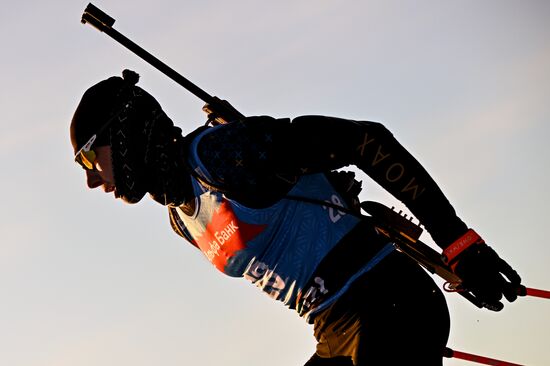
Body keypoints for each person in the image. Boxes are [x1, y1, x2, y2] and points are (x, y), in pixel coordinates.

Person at [70, 70, 522, 365]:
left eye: (91, 158)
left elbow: (366, 141)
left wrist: (458, 242)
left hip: (388, 304)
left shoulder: (221, 154)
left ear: (124, 133)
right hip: (333, 327)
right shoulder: (180, 219)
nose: (93, 180)